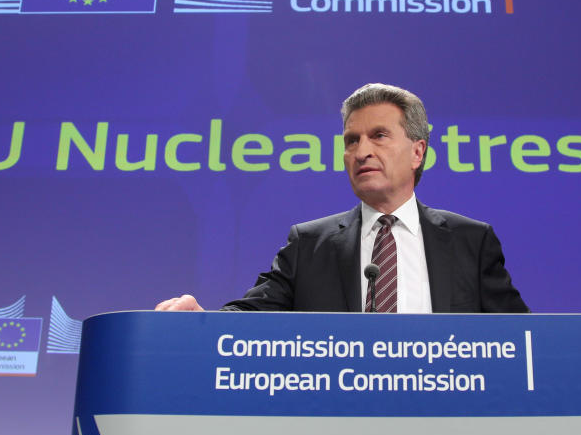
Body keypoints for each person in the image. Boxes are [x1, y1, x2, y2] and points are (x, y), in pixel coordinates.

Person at [155, 83, 528, 313]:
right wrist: (200, 322)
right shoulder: (310, 244)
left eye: (379, 135)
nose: (361, 151)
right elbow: (252, 314)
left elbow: (523, 342)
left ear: (418, 152)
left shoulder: (470, 241)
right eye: (352, 140)